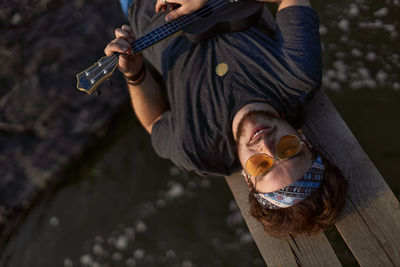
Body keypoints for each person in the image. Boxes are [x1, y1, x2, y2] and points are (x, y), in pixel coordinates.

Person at [104, 0, 347, 237]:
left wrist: (135, 74)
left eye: (261, 166)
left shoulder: (196, 147)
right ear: (304, 141)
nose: (266, 145)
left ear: (248, 181)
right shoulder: (297, 76)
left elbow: (153, 122)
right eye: (288, 149)